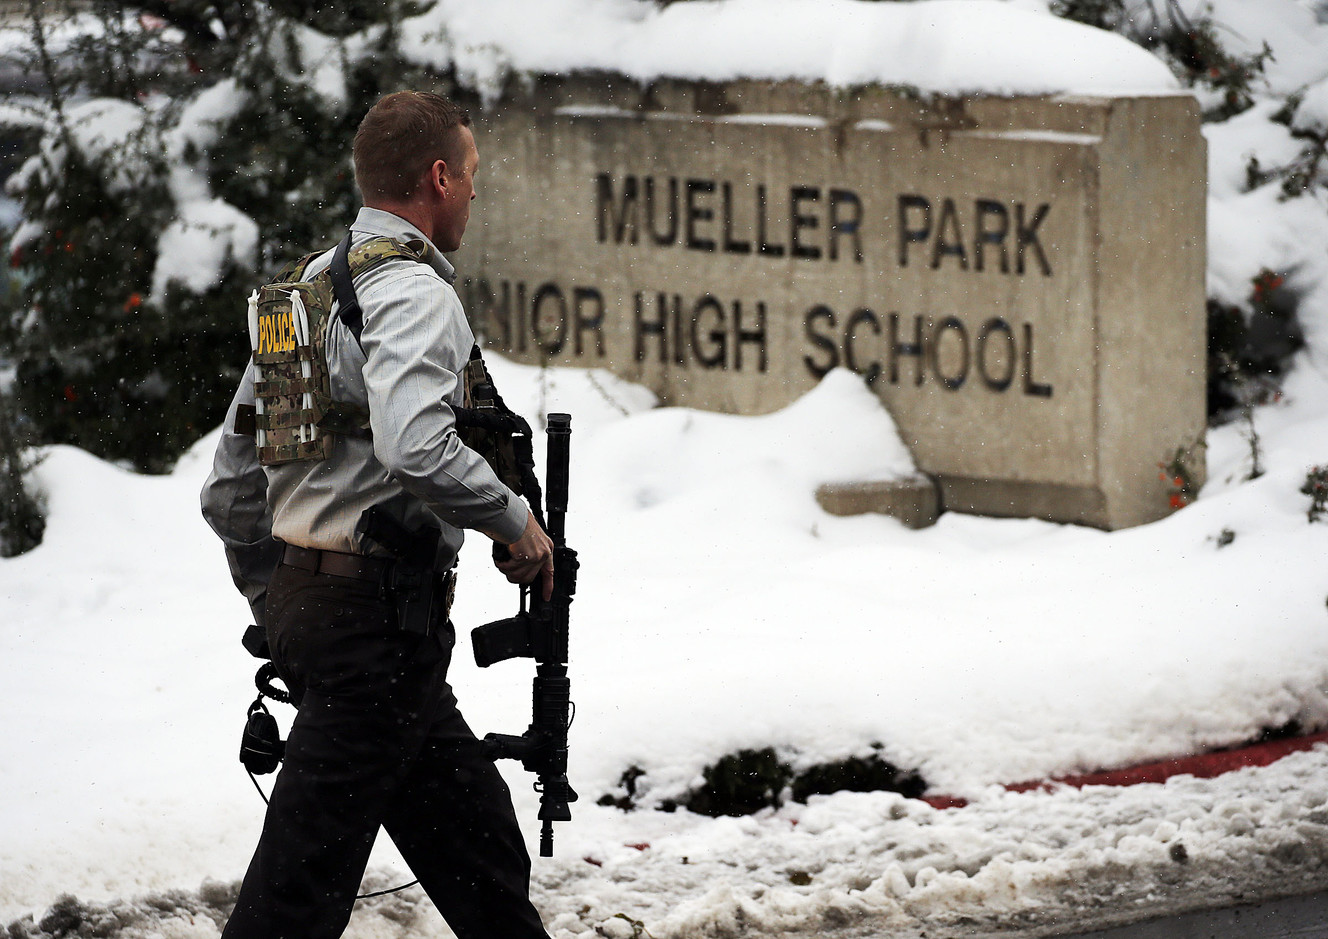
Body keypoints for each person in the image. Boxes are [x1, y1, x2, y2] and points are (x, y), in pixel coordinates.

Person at [200, 90, 554, 939]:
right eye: (470, 176)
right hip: (376, 634)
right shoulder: (416, 292)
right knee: (291, 901)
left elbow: (230, 489)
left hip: (345, 624)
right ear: (438, 177)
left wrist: (282, 597)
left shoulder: (308, 290)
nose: (473, 192)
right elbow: (416, 447)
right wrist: (515, 521)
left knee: (479, 845)